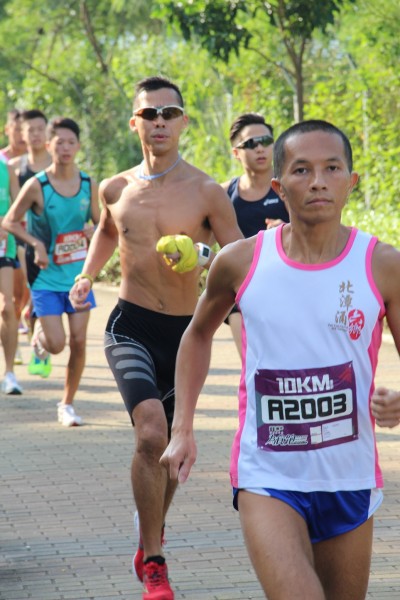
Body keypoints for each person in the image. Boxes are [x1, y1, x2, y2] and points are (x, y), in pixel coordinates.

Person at [160, 120, 400, 600]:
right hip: (268, 475)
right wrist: (182, 428)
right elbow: (198, 334)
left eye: (332, 169)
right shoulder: (240, 261)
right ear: (278, 186)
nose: (318, 182)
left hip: (349, 476)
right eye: (302, 170)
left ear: (351, 181)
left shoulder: (382, 265)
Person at [68, 75, 243, 599]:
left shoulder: (207, 191)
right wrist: (86, 274)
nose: (160, 121)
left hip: (186, 336)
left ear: (183, 122)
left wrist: (204, 256)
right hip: (130, 325)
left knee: (169, 448)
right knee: (150, 433)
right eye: (150, 114)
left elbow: (242, 257)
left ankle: (150, 535)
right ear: (135, 123)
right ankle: (155, 564)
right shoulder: (115, 188)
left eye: (170, 113)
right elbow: (107, 230)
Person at [3, 117, 100, 425]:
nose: (66, 148)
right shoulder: (37, 185)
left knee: (79, 341)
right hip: (45, 276)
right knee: (57, 345)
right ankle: (40, 336)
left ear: (79, 146)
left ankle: (67, 404)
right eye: (59, 143)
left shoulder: (88, 184)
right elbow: (9, 221)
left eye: (71, 142)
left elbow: (102, 225)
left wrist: (92, 231)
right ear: (49, 146)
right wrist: (35, 244)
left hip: (78, 277)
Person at [221, 112, 289, 353]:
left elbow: (319, 234)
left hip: (288, 290)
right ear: (236, 152)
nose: (260, 148)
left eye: (266, 141)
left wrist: (288, 230)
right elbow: (202, 238)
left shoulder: (290, 188)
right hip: (241, 292)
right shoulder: (224, 194)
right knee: (253, 364)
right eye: (250, 144)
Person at [9, 109, 52, 375]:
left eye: (40, 129)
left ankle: (40, 351)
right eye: (30, 130)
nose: (35, 134)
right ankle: (13, 342)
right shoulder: (15, 168)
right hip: (22, 241)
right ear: (22, 134)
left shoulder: (58, 163)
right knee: (19, 296)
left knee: (39, 296)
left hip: (54, 244)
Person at [0, 159, 23, 394]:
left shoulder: (7, 169)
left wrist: (7, 225)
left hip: (4, 247)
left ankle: (9, 374)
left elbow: (19, 209)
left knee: (7, 307)